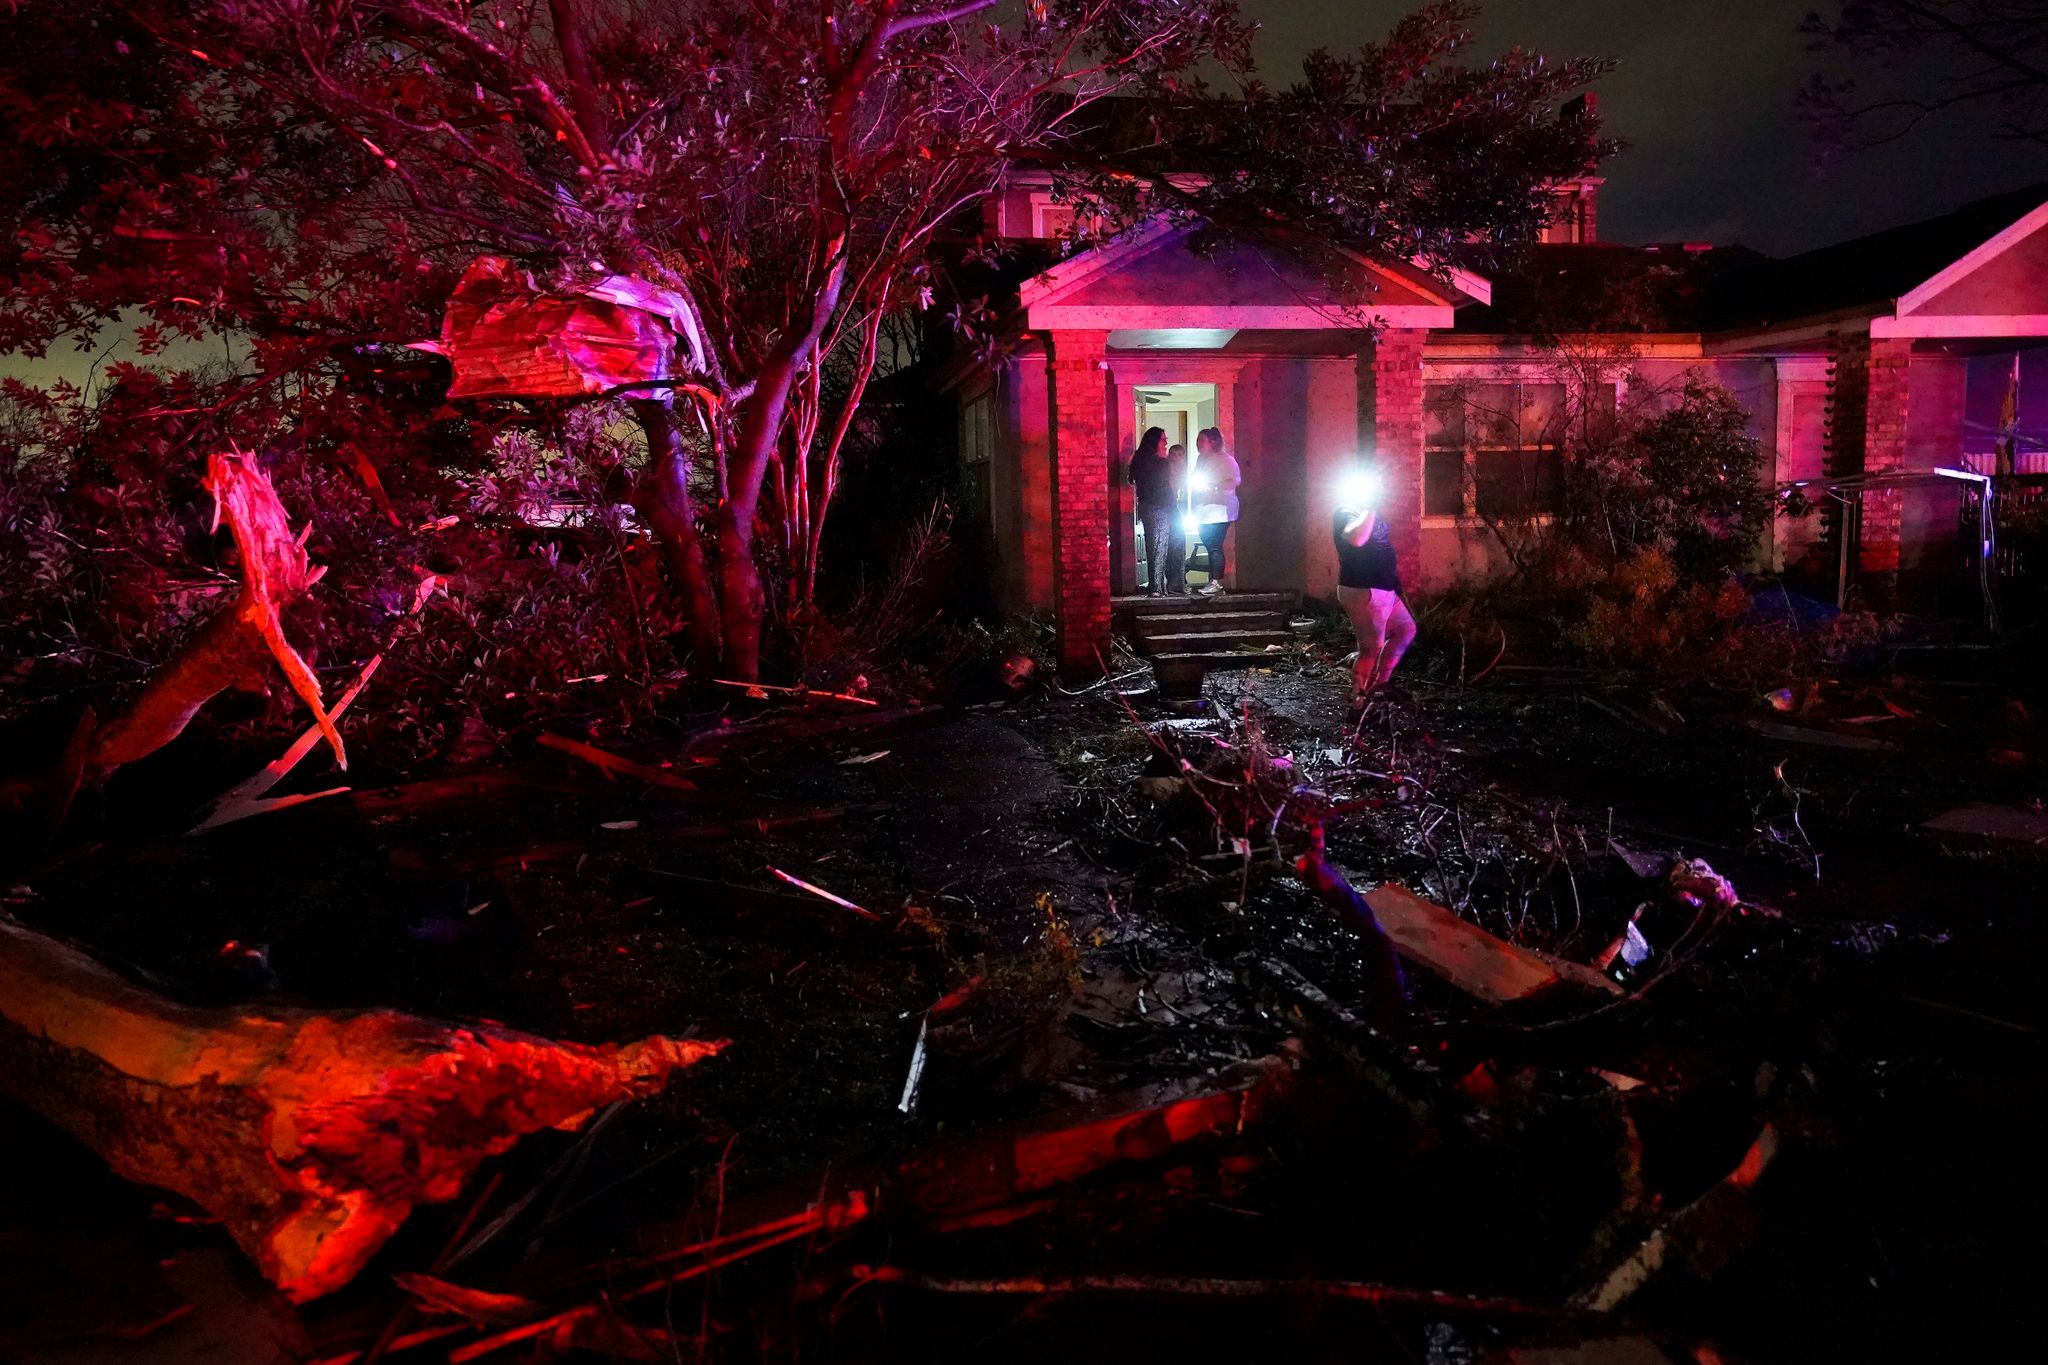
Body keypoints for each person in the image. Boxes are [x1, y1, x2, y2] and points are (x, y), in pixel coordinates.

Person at [1335, 477, 1415, 709]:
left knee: (1406, 629)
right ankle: (1358, 703)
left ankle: (1379, 687)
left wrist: (1395, 583)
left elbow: (1381, 548)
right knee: (1371, 648)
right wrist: (1370, 506)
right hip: (1363, 588)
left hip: (1384, 588)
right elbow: (1356, 539)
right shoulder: (1345, 512)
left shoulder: (1371, 513)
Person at [1130, 426, 1184, 596]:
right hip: (1161, 507)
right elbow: (1164, 489)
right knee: (1160, 546)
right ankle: (1158, 587)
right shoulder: (1159, 463)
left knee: (1159, 544)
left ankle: (1165, 585)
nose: (1166, 442)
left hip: (1148, 506)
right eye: (1163, 439)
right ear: (1155, 442)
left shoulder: (1140, 461)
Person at [1189, 427, 1241, 595]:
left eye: (1201, 440)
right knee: (1209, 542)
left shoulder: (1227, 460)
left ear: (1212, 442)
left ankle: (1216, 581)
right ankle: (1214, 580)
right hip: (1203, 509)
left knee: (1214, 545)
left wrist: (1215, 486)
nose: (1198, 444)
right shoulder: (1200, 461)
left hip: (1219, 509)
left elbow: (1234, 481)